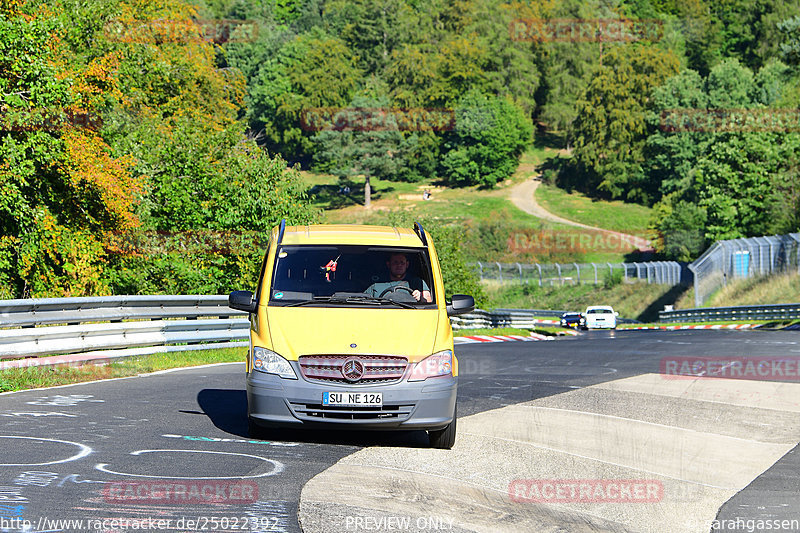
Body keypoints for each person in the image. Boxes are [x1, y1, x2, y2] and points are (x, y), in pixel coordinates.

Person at [365, 253, 432, 302]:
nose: (399, 265)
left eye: (402, 262)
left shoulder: (418, 283)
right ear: (389, 264)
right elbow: (363, 301)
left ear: (407, 264)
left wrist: (420, 296)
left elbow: (429, 304)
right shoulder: (376, 285)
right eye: (395, 262)